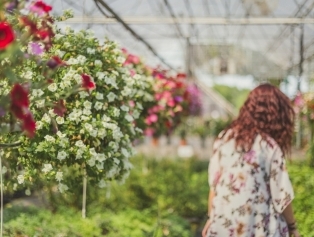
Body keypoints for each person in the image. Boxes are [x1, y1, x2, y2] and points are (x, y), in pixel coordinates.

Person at [202, 84, 301, 237]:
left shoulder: (225, 138)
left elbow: (214, 186)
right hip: (258, 227)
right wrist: (293, 227)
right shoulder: (268, 146)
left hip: (225, 226)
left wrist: (212, 217)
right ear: (275, 115)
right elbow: (282, 196)